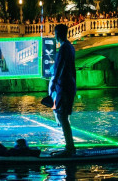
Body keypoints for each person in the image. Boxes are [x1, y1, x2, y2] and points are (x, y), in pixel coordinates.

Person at [49, 24, 76, 157]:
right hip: (70, 85)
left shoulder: (64, 48)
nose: (54, 36)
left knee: (62, 115)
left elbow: (60, 67)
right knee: (62, 115)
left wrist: (54, 83)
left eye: (55, 33)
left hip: (64, 86)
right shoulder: (70, 47)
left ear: (58, 34)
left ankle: (69, 148)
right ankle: (70, 146)